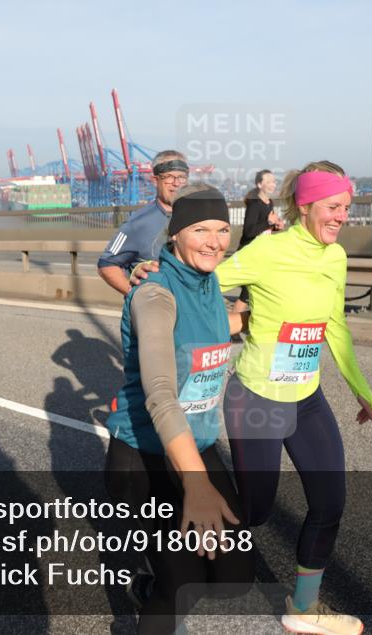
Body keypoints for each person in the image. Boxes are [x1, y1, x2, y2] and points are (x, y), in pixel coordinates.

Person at [214, 161, 372, 635]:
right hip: (258, 398)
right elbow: (206, 282)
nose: (341, 216)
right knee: (255, 512)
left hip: (306, 397)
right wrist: (163, 273)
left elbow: (335, 326)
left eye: (347, 208)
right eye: (333, 207)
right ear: (305, 205)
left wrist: (362, 391)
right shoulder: (268, 251)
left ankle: (302, 609)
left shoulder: (335, 258)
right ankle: (172, 559)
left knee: (330, 503)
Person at [105, 184, 254, 634]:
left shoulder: (208, 283)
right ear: (175, 236)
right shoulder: (154, 295)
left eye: (223, 229)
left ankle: (153, 590)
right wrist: (198, 484)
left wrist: (260, 314)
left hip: (198, 444)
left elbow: (217, 324)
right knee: (182, 579)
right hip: (145, 454)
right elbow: (161, 395)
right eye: (201, 230)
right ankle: (156, 602)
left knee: (234, 575)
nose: (215, 241)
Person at [97, 150, 189, 295]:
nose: (176, 183)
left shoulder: (196, 217)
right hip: (155, 312)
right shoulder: (137, 223)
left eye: (182, 177)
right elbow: (106, 264)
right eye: (169, 177)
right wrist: (136, 296)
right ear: (155, 180)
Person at [232, 169, 285, 313]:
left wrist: (275, 227)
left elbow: (264, 229)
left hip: (262, 252)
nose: (272, 184)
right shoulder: (255, 204)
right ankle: (231, 327)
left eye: (274, 181)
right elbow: (249, 231)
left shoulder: (269, 203)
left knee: (254, 292)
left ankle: (243, 325)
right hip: (250, 252)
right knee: (247, 293)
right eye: (269, 182)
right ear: (259, 184)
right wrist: (269, 221)